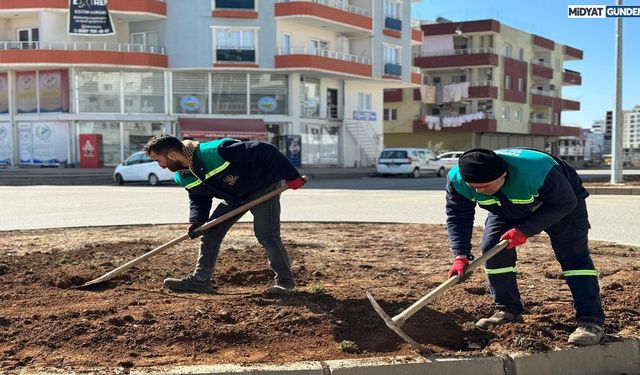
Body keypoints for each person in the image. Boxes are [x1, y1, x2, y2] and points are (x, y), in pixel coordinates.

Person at [445, 148, 605, 346]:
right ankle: (507, 310)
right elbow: (458, 216)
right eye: (474, 187)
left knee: (573, 256)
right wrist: (460, 254)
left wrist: (525, 230)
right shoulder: (458, 179)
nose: (478, 191)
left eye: (484, 186)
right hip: (505, 208)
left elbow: (566, 203)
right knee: (493, 249)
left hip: (562, 205)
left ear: (503, 175)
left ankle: (590, 321)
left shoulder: (537, 170)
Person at [143, 134, 305, 295]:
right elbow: (198, 197)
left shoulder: (215, 151)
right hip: (234, 197)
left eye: (158, 160)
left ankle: (285, 282)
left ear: (172, 155)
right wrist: (197, 221)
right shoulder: (182, 175)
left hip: (263, 188)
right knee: (210, 232)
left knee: (266, 234)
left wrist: (290, 175)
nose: (160, 165)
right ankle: (200, 281)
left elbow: (265, 150)